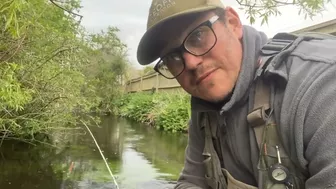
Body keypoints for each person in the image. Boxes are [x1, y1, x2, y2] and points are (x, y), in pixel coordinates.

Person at [136, 0, 336, 188]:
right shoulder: (204, 107)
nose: (190, 63)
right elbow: (193, 181)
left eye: (197, 36)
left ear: (233, 23)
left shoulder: (320, 85)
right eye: (172, 57)